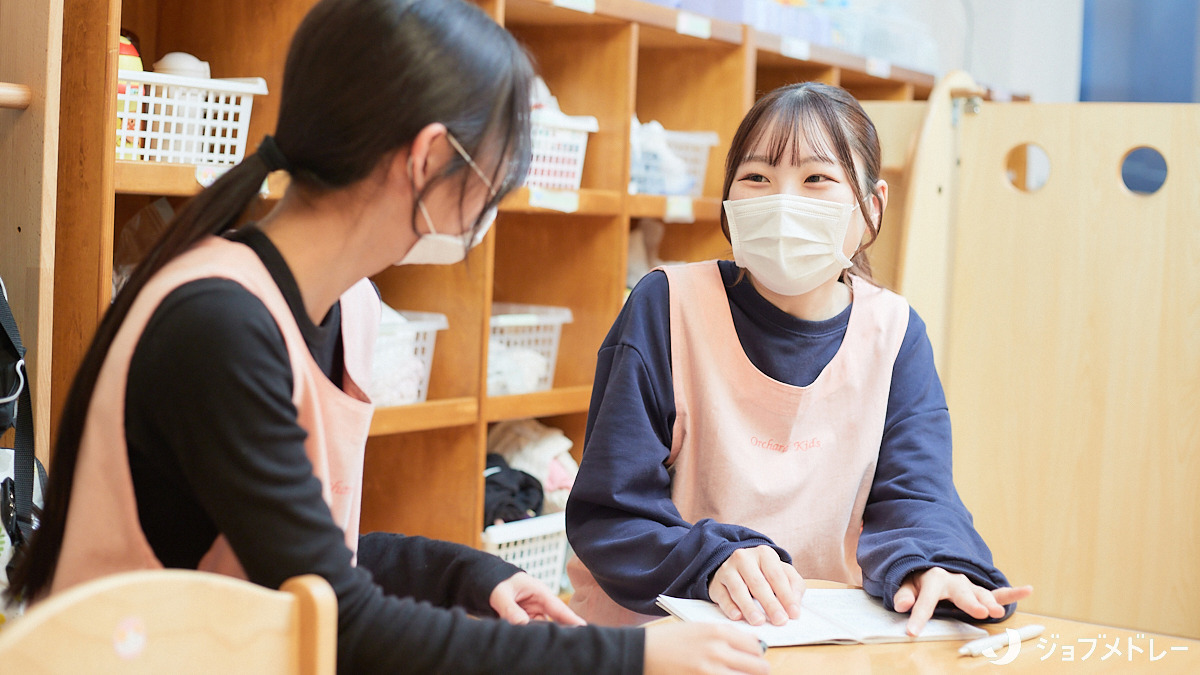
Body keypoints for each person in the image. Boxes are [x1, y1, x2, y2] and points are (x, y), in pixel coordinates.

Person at [6, 1, 769, 673]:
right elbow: (346, 621)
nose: (499, 197)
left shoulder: (348, 307)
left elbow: (295, 563)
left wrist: (462, 575)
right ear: (431, 156)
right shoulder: (219, 324)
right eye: (498, 168)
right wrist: (632, 654)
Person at [565, 81, 1033, 633]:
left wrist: (931, 566)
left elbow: (917, 495)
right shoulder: (665, 305)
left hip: (814, 646)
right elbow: (611, 509)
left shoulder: (895, 334)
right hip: (659, 642)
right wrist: (711, 561)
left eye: (817, 179)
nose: (783, 202)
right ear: (728, 203)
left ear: (872, 206)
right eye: (757, 178)